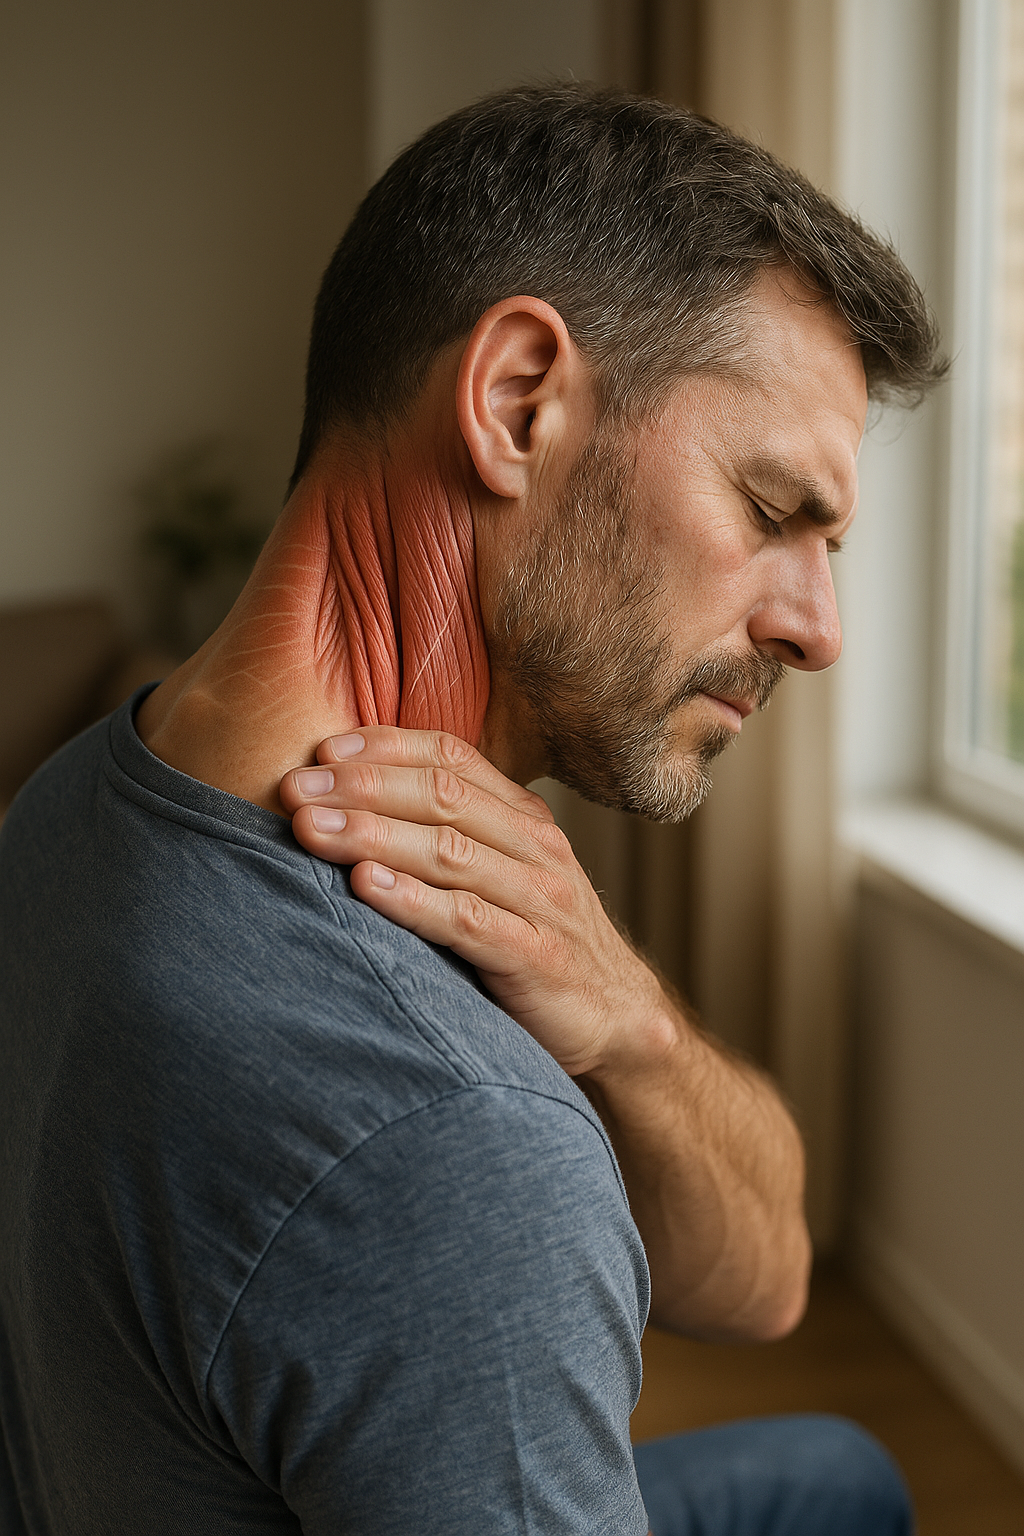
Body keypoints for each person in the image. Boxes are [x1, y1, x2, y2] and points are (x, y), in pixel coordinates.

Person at [0, 85, 944, 1534]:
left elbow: (764, 1283)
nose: (821, 629)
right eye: (772, 512)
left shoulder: (69, 800)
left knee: (838, 1475)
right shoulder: (451, 1139)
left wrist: (627, 1014)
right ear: (515, 405)